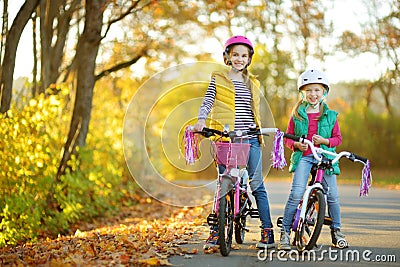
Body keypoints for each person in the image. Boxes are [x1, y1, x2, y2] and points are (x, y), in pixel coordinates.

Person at [194, 35, 275, 249]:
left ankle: (267, 232)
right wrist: (201, 121)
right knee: (224, 182)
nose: (239, 58)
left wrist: (259, 129)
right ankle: (215, 232)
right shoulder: (218, 78)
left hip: (250, 137)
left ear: (249, 59)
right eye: (235, 54)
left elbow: (254, 112)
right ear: (228, 57)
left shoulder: (253, 83)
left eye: (244, 55)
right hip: (225, 136)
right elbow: (208, 101)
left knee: (257, 184)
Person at [278, 69, 347, 250]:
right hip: (305, 157)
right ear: (302, 92)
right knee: (296, 193)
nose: (313, 94)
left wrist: (325, 141)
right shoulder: (297, 114)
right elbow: (288, 137)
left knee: (332, 196)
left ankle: (337, 231)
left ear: (324, 91)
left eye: (317, 90)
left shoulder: (331, 115)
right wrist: (296, 145)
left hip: (325, 158)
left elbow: (338, 139)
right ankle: (285, 232)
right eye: (308, 90)